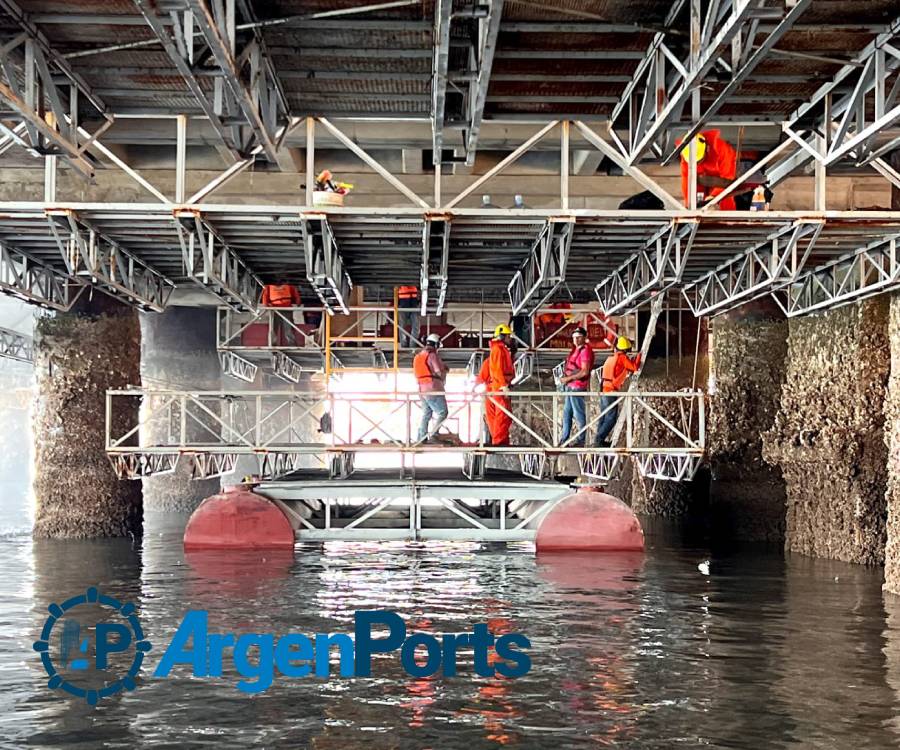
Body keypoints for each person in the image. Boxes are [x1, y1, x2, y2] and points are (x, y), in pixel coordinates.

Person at [594, 336, 642, 447]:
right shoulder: (622, 358)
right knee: (611, 418)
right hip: (611, 391)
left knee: (604, 417)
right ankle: (599, 440)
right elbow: (634, 367)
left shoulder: (611, 358)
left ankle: (599, 440)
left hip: (604, 389)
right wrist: (639, 356)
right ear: (626, 350)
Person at [679, 130, 737, 210]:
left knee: (726, 200)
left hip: (722, 182)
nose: (697, 164)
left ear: (707, 148)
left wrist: (713, 196)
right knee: (697, 202)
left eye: (699, 161)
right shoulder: (687, 153)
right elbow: (687, 180)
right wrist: (689, 203)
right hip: (702, 180)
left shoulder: (722, 149)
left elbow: (728, 179)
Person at [558, 327, 594, 447]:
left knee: (578, 413)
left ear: (584, 337)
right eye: (574, 338)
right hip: (570, 386)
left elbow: (584, 371)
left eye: (578, 337)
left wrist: (567, 379)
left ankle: (581, 440)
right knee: (567, 413)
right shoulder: (576, 350)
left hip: (577, 386)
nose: (576, 340)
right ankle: (564, 439)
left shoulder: (585, 351)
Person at [414, 333, 449, 443]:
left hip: (422, 390)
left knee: (426, 413)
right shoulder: (432, 355)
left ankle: (421, 438)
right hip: (433, 389)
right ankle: (434, 435)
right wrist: (445, 371)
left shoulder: (418, 356)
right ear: (436, 344)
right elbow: (439, 372)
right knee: (443, 412)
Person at [485, 323, 515, 446]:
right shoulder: (498, 349)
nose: (510, 339)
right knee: (503, 415)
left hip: (497, 386)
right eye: (508, 336)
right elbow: (497, 370)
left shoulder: (499, 349)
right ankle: (499, 441)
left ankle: (500, 440)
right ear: (502, 336)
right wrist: (503, 385)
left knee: (499, 416)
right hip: (499, 387)